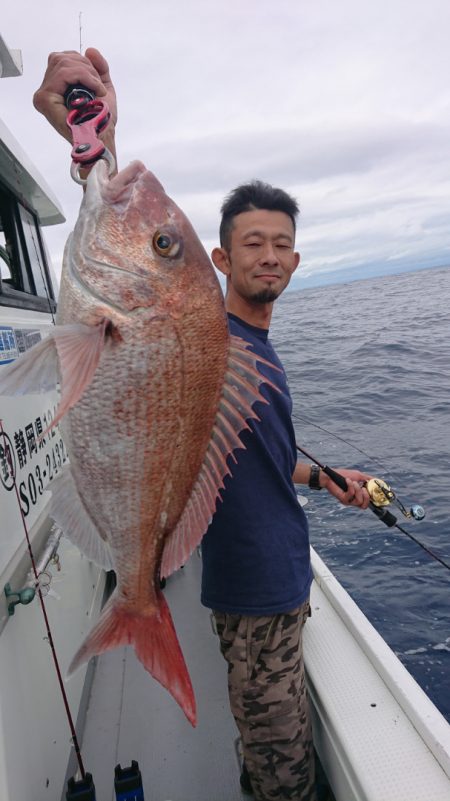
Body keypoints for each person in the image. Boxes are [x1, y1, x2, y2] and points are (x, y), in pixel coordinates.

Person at [34, 49, 372, 801]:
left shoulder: (255, 356)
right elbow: (132, 253)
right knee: (283, 772)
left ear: (297, 259)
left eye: (283, 243)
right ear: (219, 258)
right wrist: (93, 137)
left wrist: (325, 477)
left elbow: (255, 455)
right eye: (253, 242)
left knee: (273, 753)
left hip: (283, 582)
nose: (271, 256)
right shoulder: (203, 338)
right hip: (252, 592)